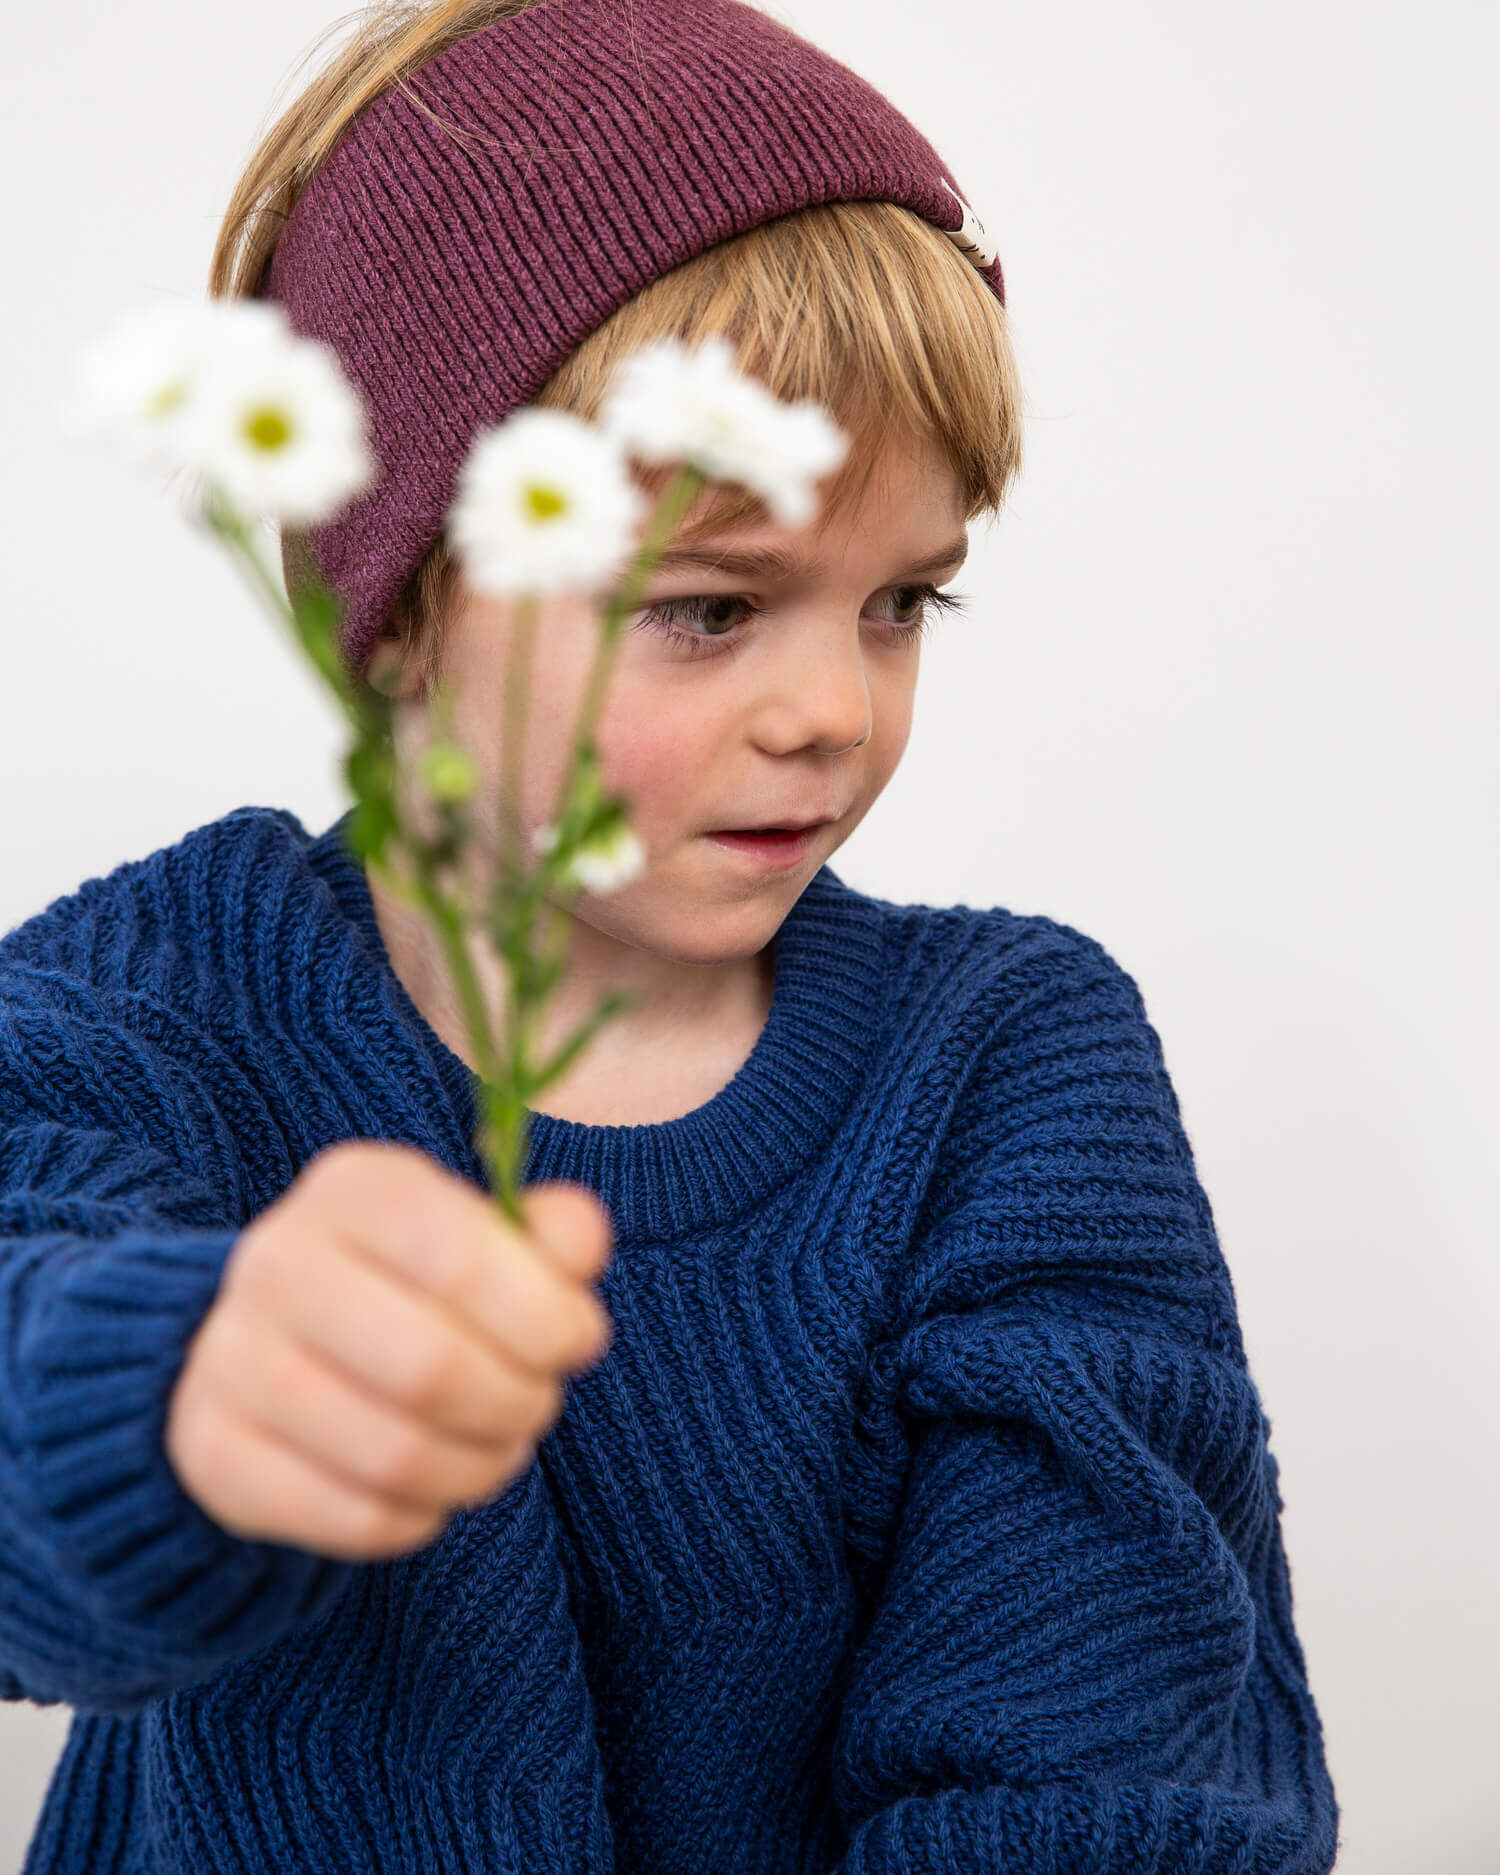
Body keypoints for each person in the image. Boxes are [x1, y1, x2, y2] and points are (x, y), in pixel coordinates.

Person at [0, 0, 1340, 1869]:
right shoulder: (164, 996)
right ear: (393, 616)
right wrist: (178, 1394)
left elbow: (1104, 1748)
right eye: (714, 608)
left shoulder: (1007, 1061)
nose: (835, 713)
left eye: (901, 604)